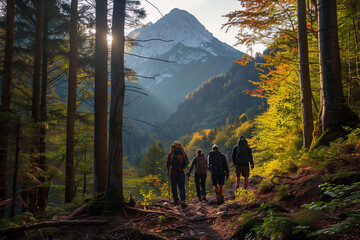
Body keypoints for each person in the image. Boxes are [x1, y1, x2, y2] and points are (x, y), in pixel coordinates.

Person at [166, 141, 189, 208]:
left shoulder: (171, 153)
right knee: (181, 186)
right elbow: (187, 161)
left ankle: (176, 201)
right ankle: (183, 200)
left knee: (174, 187)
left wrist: (168, 168)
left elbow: (168, 163)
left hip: (173, 172)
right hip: (181, 172)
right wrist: (181, 167)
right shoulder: (183, 153)